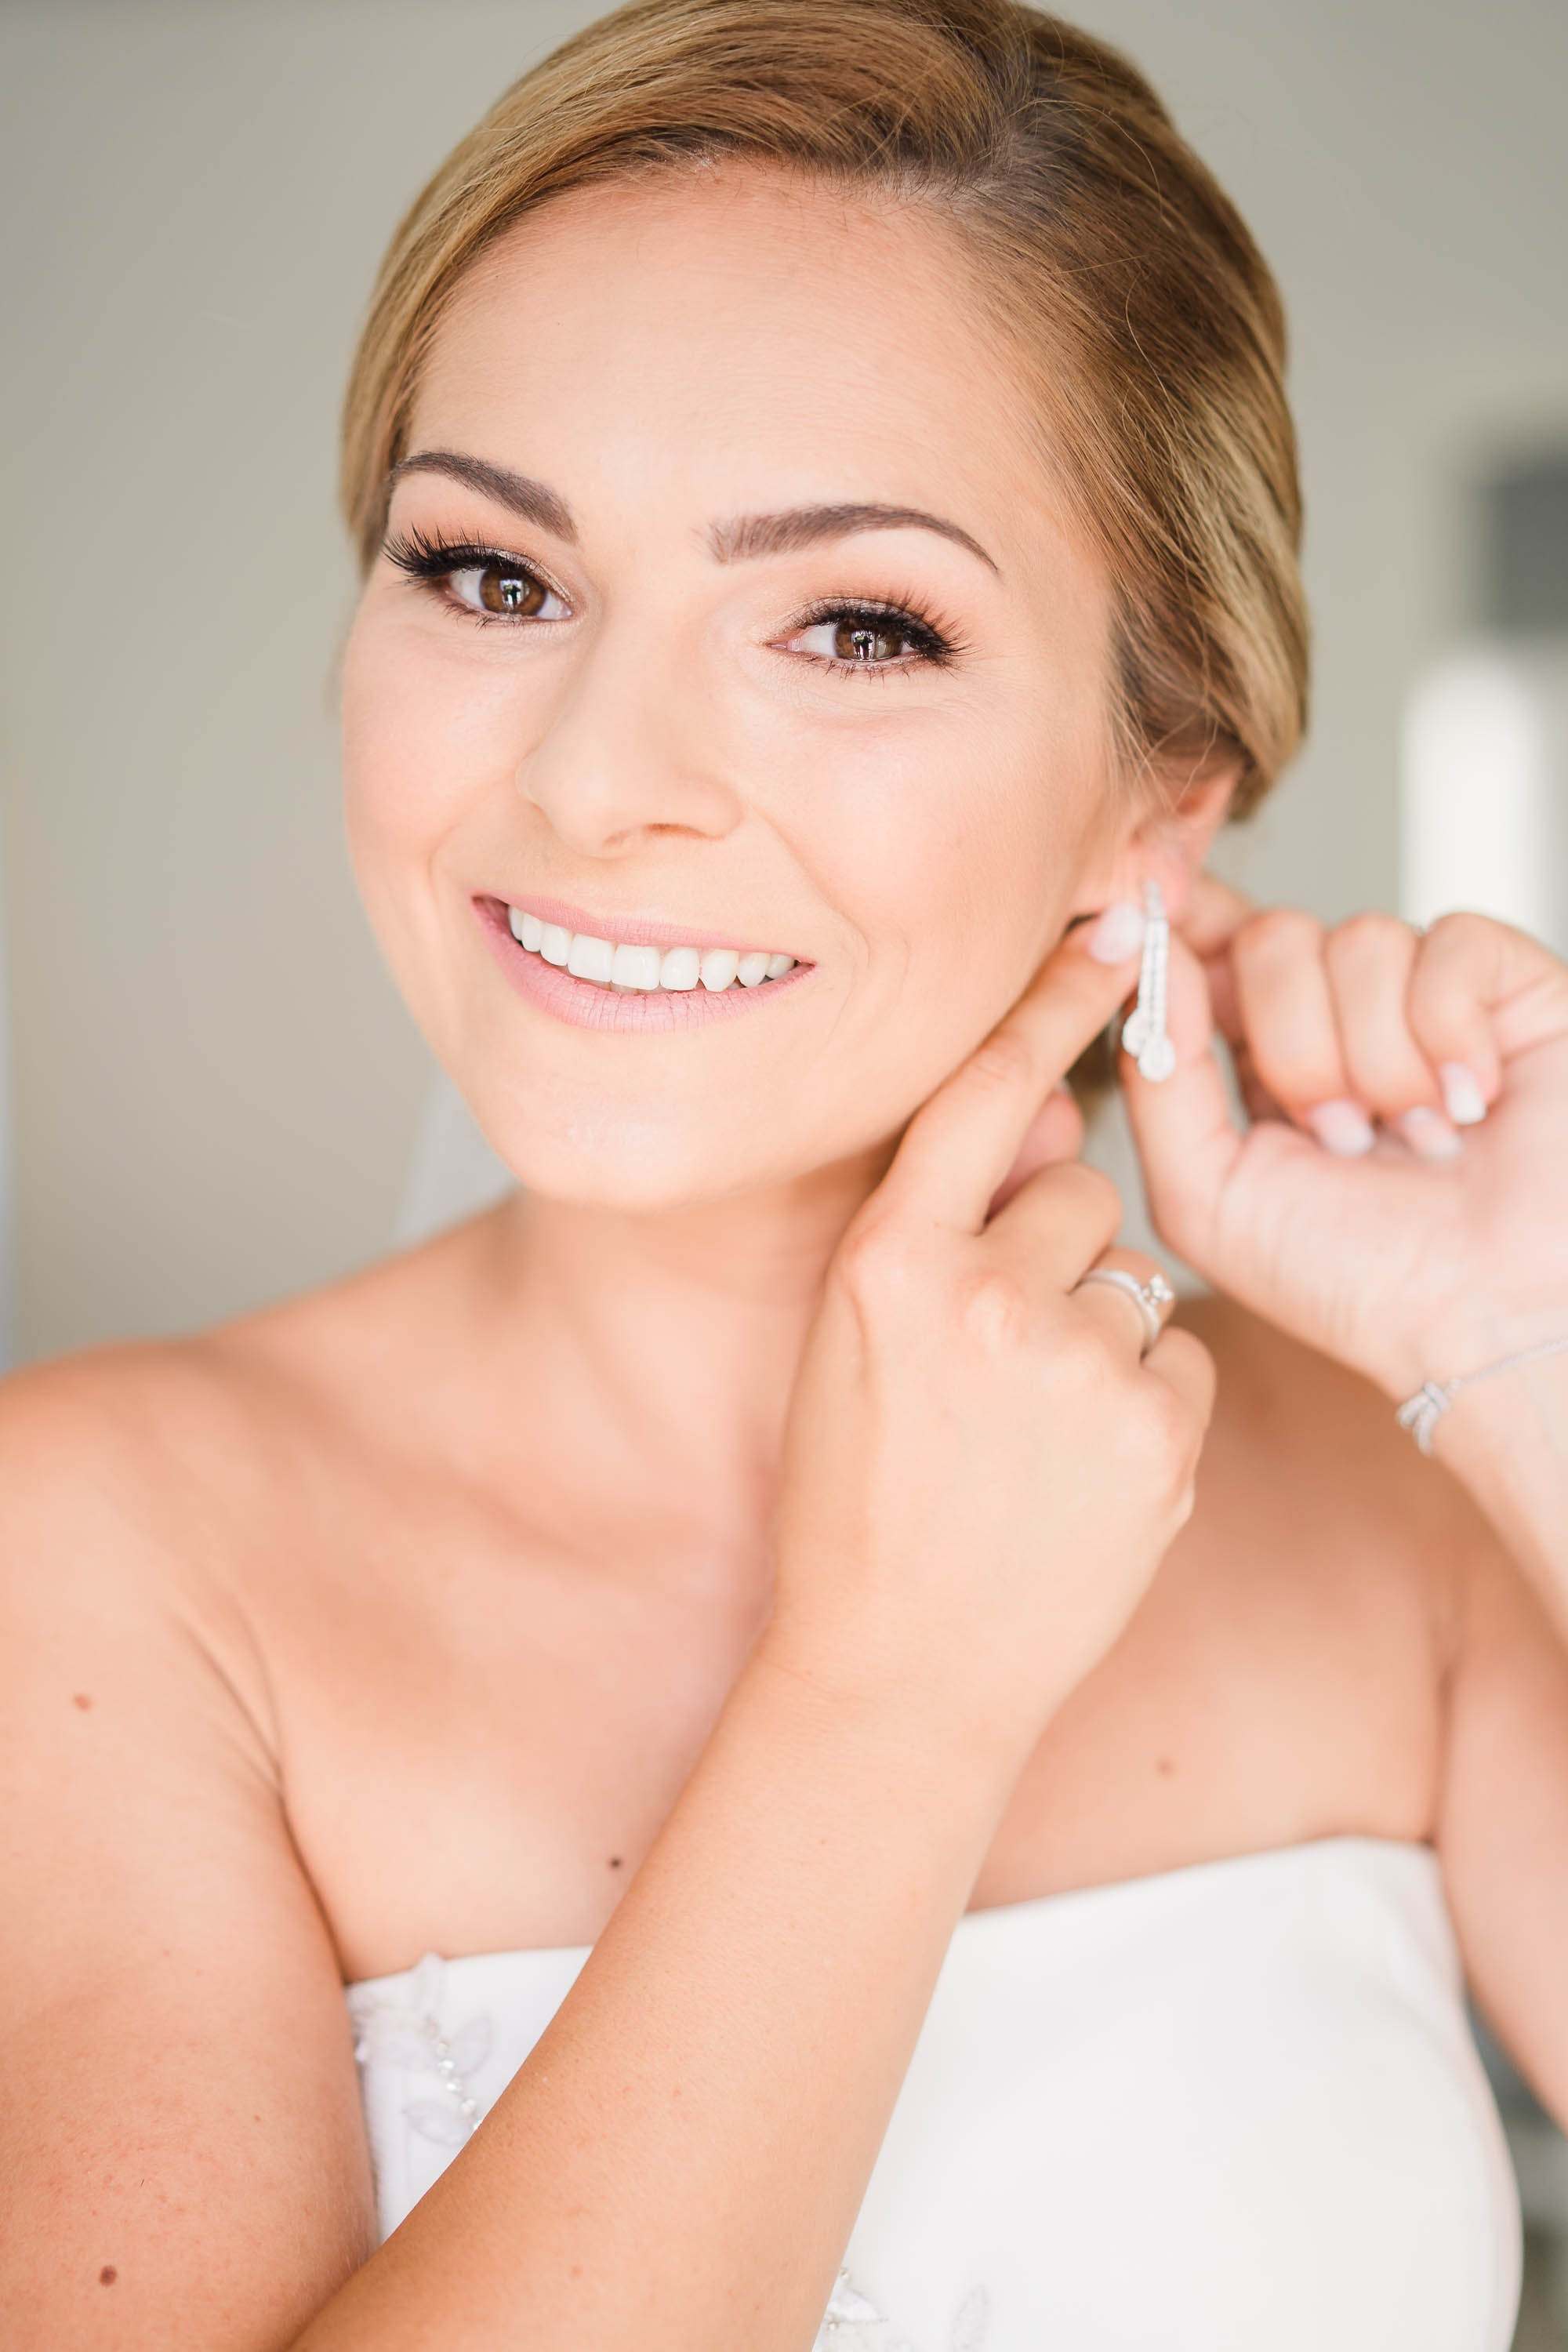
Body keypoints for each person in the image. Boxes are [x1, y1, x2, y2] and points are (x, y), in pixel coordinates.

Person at [4, 2, 1567, 2345]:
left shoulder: (1389, 1492)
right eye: (493, 575)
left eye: (857, 622)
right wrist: (880, 1701)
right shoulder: (92, 1561)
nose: (599, 779)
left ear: (1164, 795)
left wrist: (1518, 1350)